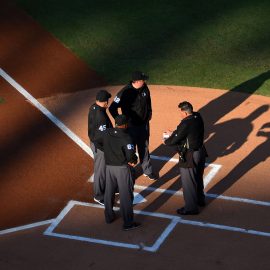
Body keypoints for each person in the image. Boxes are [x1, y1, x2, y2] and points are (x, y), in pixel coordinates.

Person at [109, 71, 157, 181]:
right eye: (143, 80)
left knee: (144, 147)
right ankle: (130, 172)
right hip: (130, 127)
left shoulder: (145, 88)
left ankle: (147, 170)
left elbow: (148, 102)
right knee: (130, 150)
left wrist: (149, 114)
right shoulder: (125, 92)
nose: (145, 81)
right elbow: (112, 107)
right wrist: (121, 121)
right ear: (137, 81)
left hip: (143, 125)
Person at [163, 101, 207, 215]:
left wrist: (166, 140)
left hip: (190, 156)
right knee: (198, 177)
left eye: (181, 112)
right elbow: (187, 132)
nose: (180, 115)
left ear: (185, 113)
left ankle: (191, 208)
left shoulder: (185, 123)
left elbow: (173, 140)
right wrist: (174, 132)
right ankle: (200, 200)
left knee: (188, 182)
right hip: (201, 152)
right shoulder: (198, 116)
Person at [102, 115, 141, 231]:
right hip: (122, 169)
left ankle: (109, 217)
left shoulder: (107, 132)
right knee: (126, 195)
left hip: (109, 168)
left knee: (109, 192)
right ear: (124, 125)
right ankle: (128, 223)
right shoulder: (126, 137)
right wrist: (134, 161)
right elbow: (130, 156)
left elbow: (98, 141)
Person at [88, 90, 113, 206]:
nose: (108, 102)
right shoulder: (101, 116)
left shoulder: (93, 107)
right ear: (105, 102)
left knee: (104, 168)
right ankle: (98, 195)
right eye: (107, 100)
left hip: (96, 143)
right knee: (100, 171)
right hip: (100, 147)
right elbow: (101, 136)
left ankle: (110, 187)